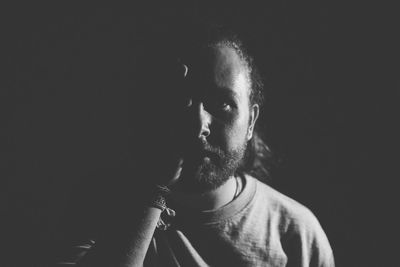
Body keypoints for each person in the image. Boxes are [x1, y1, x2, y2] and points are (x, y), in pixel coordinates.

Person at [54, 22, 334, 267]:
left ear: (251, 123)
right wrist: (152, 194)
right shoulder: (100, 204)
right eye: (182, 101)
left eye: (223, 104)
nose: (198, 125)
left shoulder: (296, 233)